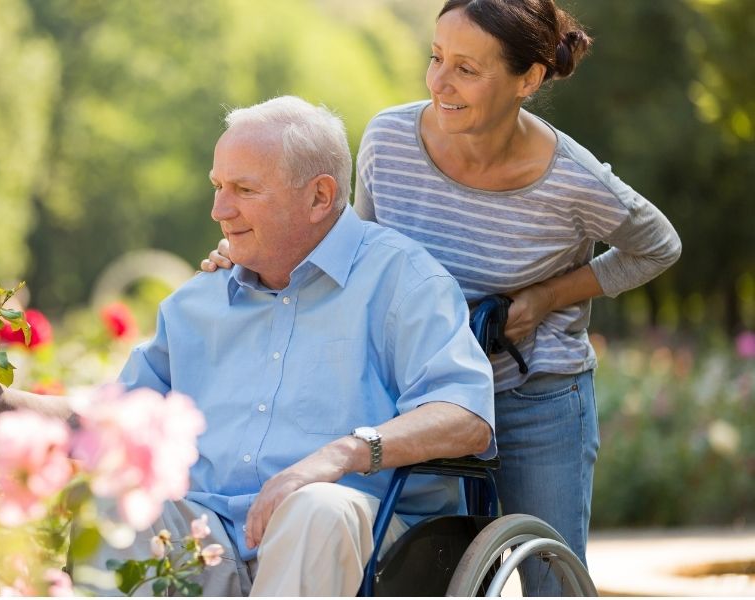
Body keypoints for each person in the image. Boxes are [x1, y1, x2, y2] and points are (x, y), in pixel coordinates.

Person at [201, 1, 682, 595]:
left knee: (548, 580)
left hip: (530, 387)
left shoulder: (573, 180)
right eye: (436, 58)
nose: (439, 83)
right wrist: (251, 249)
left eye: (467, 69)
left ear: (528, 79)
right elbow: (355, 251)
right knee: (397, 559)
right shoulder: (389, 140)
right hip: (414, 387)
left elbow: (658, 247)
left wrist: (547, 296)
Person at [0, 95, 496, 596]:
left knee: (316, 507)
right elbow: (114, 420)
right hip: (212, 540)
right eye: (218, 187)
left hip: (365, 547)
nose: (219, 210)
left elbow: (467, 416)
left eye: (244, 190)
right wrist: (3, 404)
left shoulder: (403, 281)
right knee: (110, 501)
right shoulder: (196, 303)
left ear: (319, 196)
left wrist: (337, 456)